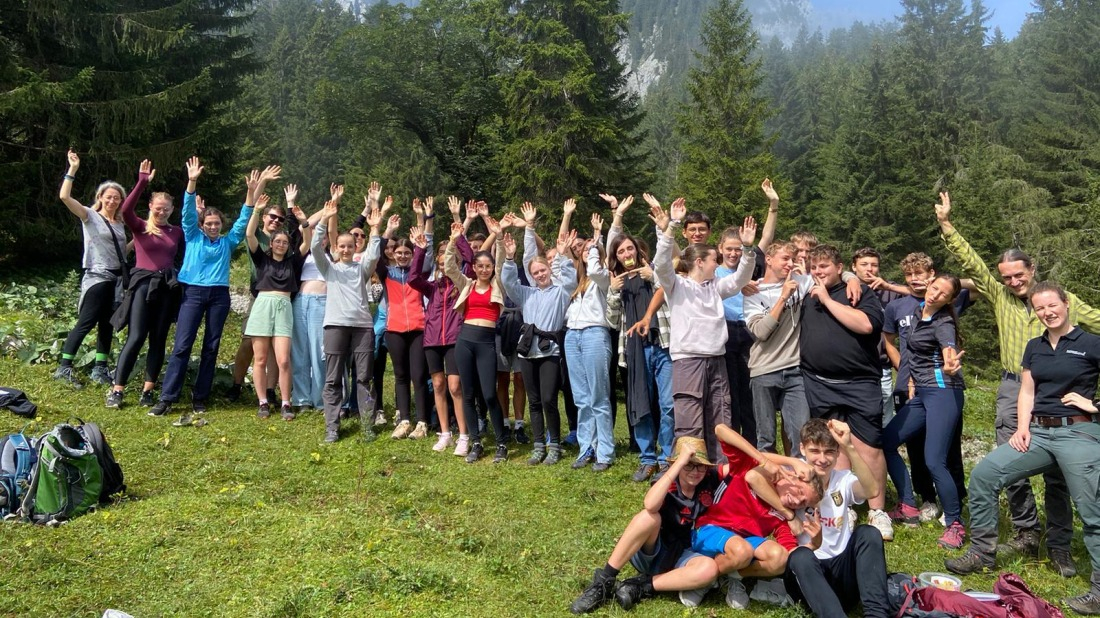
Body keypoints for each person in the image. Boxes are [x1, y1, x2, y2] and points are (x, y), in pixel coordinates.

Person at [936, 191, 1100, 572]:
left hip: (1062, 395)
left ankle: (1058, 542)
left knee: (1059, 474)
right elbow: (972, 263)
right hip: (1015, 388)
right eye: (1006, 276)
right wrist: (947, 225)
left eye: (1019, 275)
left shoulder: (1061, 300)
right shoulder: (999, 296)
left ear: (1032, 269)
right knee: (1011, 462)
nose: (1012, 281)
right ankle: (1026, 530)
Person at [946, 282, 1100, 615]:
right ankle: (982, 554)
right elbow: (1027, 392)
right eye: (1040, 308)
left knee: (1092, 511)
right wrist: (1023, 428)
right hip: (1039, 433)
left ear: (1066, 304)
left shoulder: (1091, 343)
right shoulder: (1034, 346)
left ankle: (1099, 590)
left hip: (1079, 432)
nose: (1047, 312)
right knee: (985, 475)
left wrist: (1094, 403)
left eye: (1052, 306)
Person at [651, 197, 757, 464]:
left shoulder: (716, 287)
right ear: (699, 262)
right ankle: (690, 472)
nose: (717, 265)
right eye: (713, 260)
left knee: (720, 416)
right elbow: (662, 264)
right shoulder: (677, 286)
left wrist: (748, 248)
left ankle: (719, 471)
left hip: (716, 359)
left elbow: (741, 278)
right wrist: (672, 225)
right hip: (688, 360)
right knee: (689, 416)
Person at [149, 158, 254, 427]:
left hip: (219, 296)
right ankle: (167, 397)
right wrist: (192, 181)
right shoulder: (193, 235)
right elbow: (186, 211)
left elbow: (243, 222)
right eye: (209, 223)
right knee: (182, 345)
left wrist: (251, 193)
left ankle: (200, 397)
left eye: (217, 223)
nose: (213, 226)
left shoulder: (228, 242)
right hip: (192, 293)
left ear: (221, 225)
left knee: (211, 346)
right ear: (202, 223)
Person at [799, 244, 892, 540]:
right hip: (819, 382)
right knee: (833, 446)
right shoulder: (807, 293)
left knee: (868, 447)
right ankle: (843, 505)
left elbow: (866, 326)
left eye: (824, 266)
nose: (818, 272)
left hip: (859, 383)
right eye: (814, 267)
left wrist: (827, 299)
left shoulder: (860, 292)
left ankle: (878, 510)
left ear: (840, 268)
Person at [569, 437, 721, 613]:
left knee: (709, 569)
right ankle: (603, 582)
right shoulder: (667, 479)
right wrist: (678, 464)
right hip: (652, 550)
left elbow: (736, 462)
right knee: (648, 517)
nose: (695, 471)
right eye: (689, 465)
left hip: (681, 554)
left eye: (700, 465)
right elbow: (650, 504)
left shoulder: (709, 480)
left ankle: (641, 586)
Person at [688, 424, 824, 609]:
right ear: (792, 476)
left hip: (742, 546)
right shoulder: (750, 467)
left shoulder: (784, 517)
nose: (797, 500)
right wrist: (776, 460)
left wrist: (813, 545)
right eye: (800, 491)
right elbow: (720, 429)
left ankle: (732, 576)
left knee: (778, 557)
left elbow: (789, 556)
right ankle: (701, 579)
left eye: (803, 503)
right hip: (710, 529)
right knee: (741, 550)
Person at [882, 252, 969, 526]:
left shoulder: (942, 321)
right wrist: (908, 378)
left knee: (935, 460)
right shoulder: (914, 311)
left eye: (943, 293)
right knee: (886, 442)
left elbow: (947, 344)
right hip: (920, 393)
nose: (934, 295)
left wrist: (950, 360)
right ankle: (908, 503)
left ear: (950, 299)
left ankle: (955, 521)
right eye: (934, 290)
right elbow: (903, 350)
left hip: (943, 390)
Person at [780, 419, 891, 618]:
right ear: (802, 449)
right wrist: (788, 513)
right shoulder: (789, 477)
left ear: (838, 453)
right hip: (806, 576)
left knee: (869, 533)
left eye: (829, 452)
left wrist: (849, 446)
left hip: (841, 572)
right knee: (800, 556)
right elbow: (752, 473)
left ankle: (877, 614)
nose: (822, 459)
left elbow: (873, 490)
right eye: (815, 451)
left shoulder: (843, 479)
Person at [501, 203, 578, 465]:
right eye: (535, 273)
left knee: (548, 399)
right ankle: (537, 445)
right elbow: (510, 282)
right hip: (527, 349)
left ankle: (554, 444)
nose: (540, 274)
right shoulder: (527, 293)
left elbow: (568, 276)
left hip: (550, 350)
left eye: (543, 270)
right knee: (533, 400)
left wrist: (565, 253)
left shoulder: (561, 291)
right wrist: (510, 258)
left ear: (549, 270)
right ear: (531, 276)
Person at [606, 196, 675, 482]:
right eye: (621, 251)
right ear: (617, 257)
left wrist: (654, 277)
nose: (626, 253)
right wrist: (611, 291)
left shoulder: (654, 273)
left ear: (638, 249)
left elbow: (673, 299)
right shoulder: (618, 283)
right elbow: (611, 322)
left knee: (669, 403)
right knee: (640, 403)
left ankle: (667, 458)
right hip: (635, 351)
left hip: (663, 345)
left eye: (630, 248)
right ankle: (647, 458)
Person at [106, 159, 183, 408]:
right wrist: (141, 182)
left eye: (166, 209)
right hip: (142, 286)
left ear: (172, 210)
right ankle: (117, 390)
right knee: (136, 336)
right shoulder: (141, 227)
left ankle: (148, 391)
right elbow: (126, 210)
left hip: (166, 289)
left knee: (158, 338)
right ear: (150, 207)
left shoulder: (176, 232)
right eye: (158, 208)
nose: (161, 212)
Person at [55, 149, 129, 388]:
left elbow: (121, 253)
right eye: (108, 196)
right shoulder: (90, 216)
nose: (112, 200)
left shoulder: (119, 224)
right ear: (100, 197)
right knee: (86, 322)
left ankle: (100, 368)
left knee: (106, 325)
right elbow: (65, 197)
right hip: (97, 278)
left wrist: (140, 239)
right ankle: (64, 367)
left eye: (117, 197)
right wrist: (73, 169)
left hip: (115, 281)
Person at [715, 178, 780, 445]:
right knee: (729, 390)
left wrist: (773, 205)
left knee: (751, 389)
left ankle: (753, 443)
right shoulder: (712, 271)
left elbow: (766, 237)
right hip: (725, 333)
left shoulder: (750, 264)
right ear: (719, 249)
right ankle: (733, 444)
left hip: (750, 331)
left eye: (737, 249)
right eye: (729, 249)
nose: (733, 254)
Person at [311, 200, 383, 442]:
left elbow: (374, 255)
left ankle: (367, 425)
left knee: (364, 378)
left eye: (349, 246)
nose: (345, 249)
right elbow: (314, 248)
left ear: (355, 247)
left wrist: (375, 229)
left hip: (362, 327)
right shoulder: (329, 269)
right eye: (341, 246)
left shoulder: (361, 269)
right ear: (336, 247)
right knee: (332, 378)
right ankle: (332, 426)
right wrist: (323, 220)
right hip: (335, 326)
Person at [244, 189, 314, 421]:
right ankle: (263, 401)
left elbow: (307, 242)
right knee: (261, 359)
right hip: (263, 305)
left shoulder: (294, 262)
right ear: (271, 244)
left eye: (285, 242)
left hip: (284, 306)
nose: (282, 244)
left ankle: (286, 402)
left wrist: (303, 221)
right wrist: (256, 211)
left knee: (284, 359)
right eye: (278, 241)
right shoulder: (261, 259)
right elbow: (250, 234)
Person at [445, 218, 508, 463]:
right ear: (474, 267)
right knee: (468, 394)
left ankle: (502, 442)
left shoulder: (497, 285)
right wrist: (452, 240)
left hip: (486, 343)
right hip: (465, 341)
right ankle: (476, 441)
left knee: (489, 395)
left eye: (487, 266)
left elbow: (502, 263)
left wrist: (499, 237)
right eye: (480, 266)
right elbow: (450, 266)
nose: (484, 270)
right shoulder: (467, 285)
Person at [744, 242, 813, 458]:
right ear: (769, 259)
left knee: (801, 436)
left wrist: (849, 280)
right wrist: (783, 297)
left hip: (795, 370)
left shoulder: (800, 283)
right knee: (765, 439)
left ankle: (801, 486)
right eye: (785, 258)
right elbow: (761, 332)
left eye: (792, 259)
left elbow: (832, 273)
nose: (790, 264)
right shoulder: (752, 292)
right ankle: (770, 487)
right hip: (763, 370)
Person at [227, 165, 287, 403]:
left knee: (273, 346)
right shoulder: (258, 237)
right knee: (248, 342)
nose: (276, 221)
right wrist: (261, 182)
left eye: (280, 219)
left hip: (280, 296)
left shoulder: (281, 242)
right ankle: (236, 385)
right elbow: (250, 208)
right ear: (264, 217)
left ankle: (270, 390)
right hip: (257, 294)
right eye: (272, 217)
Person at [408, 222, 468, 453]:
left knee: (455, 387)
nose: (445, 266)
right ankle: (445, 434)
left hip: (454, 339)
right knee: (438, 385)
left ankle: (463, 435)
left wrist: (458, 238)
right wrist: (420, 250)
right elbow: (413, 278)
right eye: (441, 263)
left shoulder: (463, 283)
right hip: (432, 339)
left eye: (449, 262)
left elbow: (471, 260)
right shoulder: (432, 287)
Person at [378, 199, 434, 441]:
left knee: (418, 376)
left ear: (412, 255)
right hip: (395, 329)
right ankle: (404, 420)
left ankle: (422, 422)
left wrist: (424, 221)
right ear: (393, 254)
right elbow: (375, 252)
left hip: (419, 329)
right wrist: (387, 230)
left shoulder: (418, 273)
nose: (402, 256)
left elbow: (427, 251)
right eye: (398, 252)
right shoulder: (386, 273)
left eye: (407, 253)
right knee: (400, 376)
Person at [565, 213, 614, 471]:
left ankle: (605, 451)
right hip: (572, 336)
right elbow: (561, 269)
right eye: (582, 250)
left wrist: (596, 241)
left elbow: (595, 267)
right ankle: (587, 447)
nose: (585, 252)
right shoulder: (576, 282)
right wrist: (566, 249)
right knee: (582, 398)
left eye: (589, 249)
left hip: (595, 333)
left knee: (598, 396)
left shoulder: (604, 277)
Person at [290, 191, 339, 413]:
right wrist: (319, 212)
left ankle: (320, 399)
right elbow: (305, 227)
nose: (321, 239)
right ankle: (301, 399)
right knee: (300, 351)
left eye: (324, 237)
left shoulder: (332, 255)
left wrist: (333, 206)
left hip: (321, 302)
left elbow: (332, 230)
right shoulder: (303, 253)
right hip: (300, 302)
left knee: (319, 351)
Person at [850, 247, 909, 423]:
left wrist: (888, 286)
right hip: (851, 364)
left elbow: (922, 293)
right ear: (854, 267)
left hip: (881, 364)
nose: (869, 269)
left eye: (874, 265)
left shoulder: (890, 291)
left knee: (883, 417)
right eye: (864, 264)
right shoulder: (844, 288)